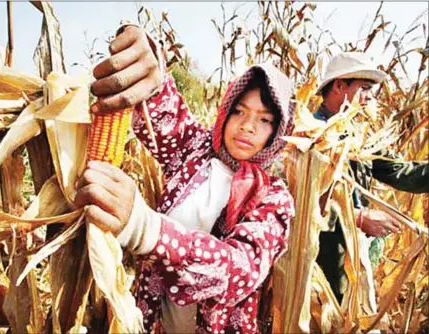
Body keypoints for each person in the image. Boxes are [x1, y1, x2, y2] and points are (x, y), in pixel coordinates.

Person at [74, 25, 296, 333]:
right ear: (226, 112)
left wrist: (145, 228)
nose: (247, 127)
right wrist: (146, 61)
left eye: (264, 120)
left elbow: (240, 270)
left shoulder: (273, 198)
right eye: (240, 112)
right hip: (154, 319)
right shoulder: (193, 149)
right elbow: (161, 106)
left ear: (277, 132)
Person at [314, 51, 429, 306]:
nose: (370, 98)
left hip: (354, 255)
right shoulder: (310, 135)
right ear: (339, 85)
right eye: (365, 88)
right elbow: (302, 203)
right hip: (320, 259)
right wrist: (358, 216)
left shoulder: (358, 136)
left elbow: (400, 171)